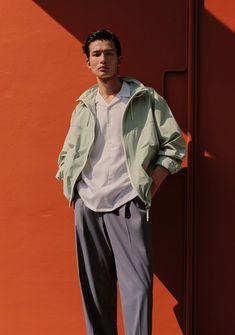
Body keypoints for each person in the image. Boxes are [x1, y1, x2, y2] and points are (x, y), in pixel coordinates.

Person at [56, 29, 186, 335]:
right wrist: (72, 185)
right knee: (95, 293)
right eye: (97, 54)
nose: (103, 59)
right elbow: (66, 155)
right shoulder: (84, 106)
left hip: (128, 203)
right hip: (87, 206)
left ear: (119, 60)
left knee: (137, 289)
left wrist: (151, 184)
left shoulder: (144, 99)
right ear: (88, 62)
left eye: (109, 53)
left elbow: (175, 146)